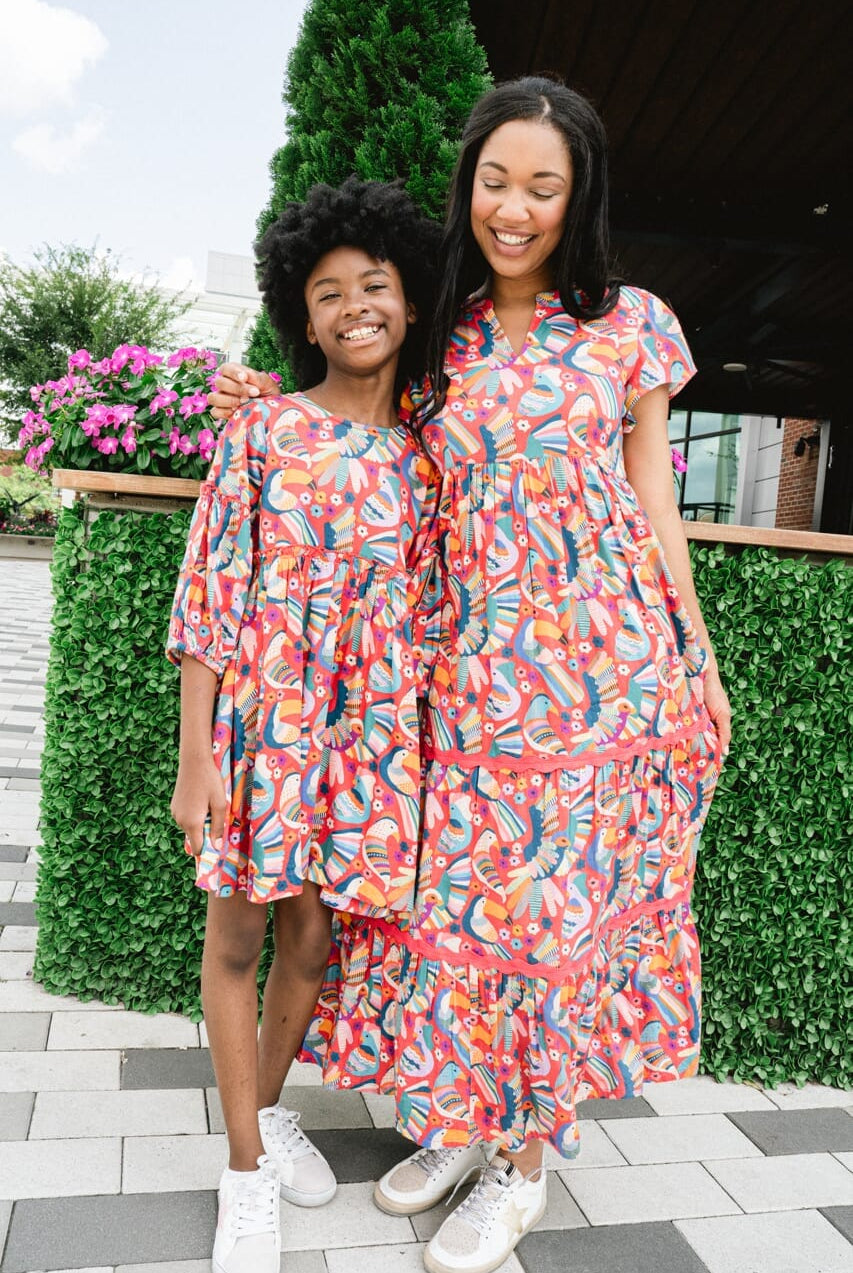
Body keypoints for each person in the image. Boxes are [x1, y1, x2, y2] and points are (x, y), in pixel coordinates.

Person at [210, 76, 731, 1273]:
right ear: (469, 184)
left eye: (543, 186)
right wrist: (253, 389)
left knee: (548, 925)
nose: (514, 207)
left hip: (598, 676)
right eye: (496, 180)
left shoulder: (629, 323)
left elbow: (653, 495)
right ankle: (462, 1119)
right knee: (452, 919)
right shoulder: (435, 317)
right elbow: (347, 399)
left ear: (576, 196)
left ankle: (520, 1164)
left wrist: (694, 653)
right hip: (447, 678)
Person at [168, 176, 441, 1273]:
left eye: (372, 286)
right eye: (325, 293)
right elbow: (208, 593)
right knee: (235, 941)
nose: (352, 307)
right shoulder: (264, 430)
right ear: (301, 312)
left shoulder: (429, 457)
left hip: (368, 741)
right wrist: (199, 755)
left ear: (410, 300)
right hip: (264, 730)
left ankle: (271, 1107)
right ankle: (243, 1176)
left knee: (313, 940)